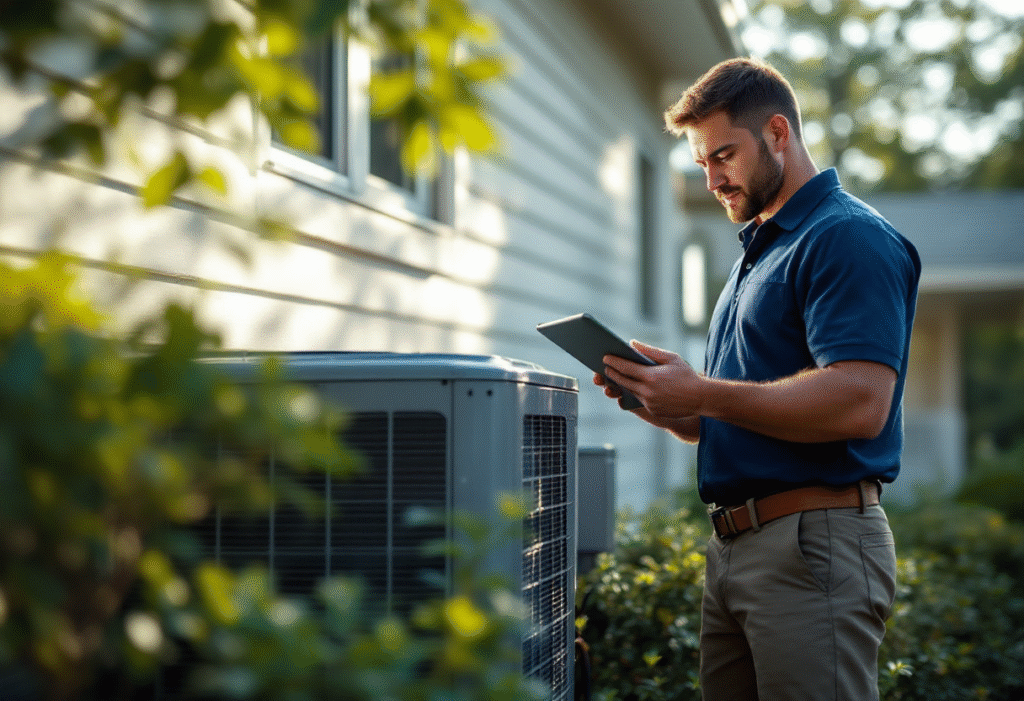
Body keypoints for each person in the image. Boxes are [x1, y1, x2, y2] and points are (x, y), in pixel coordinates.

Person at [595, 57, 921, 700]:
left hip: (812, 548)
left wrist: (704, 391)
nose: (713, 179)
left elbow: (860, 401)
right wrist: (662, 403)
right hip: (735, 550)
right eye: (702, 164)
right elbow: (728, 416)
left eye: (724, 155)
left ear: (777, 133)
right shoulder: (760, 251)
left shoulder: (847, 238)